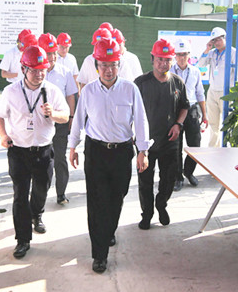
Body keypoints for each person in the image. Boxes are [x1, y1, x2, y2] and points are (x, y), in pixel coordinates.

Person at [68, 37, 150, 274]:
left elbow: (141, 121)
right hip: (95, 152)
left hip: (122, 152)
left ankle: (108, 230)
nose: (108, 70)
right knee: (96, 202)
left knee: (117, 197)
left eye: (113, 65)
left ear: (119, 65)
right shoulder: (89, 91)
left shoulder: (130, 89)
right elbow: (78, 120)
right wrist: (72, 147)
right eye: (103, 65)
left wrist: (142, 151)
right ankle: (99, 254)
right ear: (96, 66)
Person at [0, 45, 70, 259]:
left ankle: (37, 213)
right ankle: (23, 239)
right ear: (23, 69)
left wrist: (53, 114)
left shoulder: (52, 91)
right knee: (20, 194)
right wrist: (3, 135)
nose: (39, 74)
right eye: (34, 70)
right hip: (18, 151)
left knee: (42, 188)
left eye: (42, 70)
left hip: (43, 151)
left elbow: (65, 116)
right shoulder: (11, 92)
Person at [134, 39, 189, 230]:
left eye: (167, 60)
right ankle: (147, 214)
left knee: (169, 178)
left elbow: (184, 107)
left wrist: (178, 124)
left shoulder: (177, 82)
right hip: (145, 143)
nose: (163, 64)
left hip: (170, 141)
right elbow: (129, 110)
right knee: (145, 181)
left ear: (172, 60)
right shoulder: (140, 83)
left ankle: (161, 204)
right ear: (152, 59)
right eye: (159, 59)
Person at [38, 33, 78, 205]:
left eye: (54, 53)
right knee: (41, 160)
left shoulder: (65, 72)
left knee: (60, 158)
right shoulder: (35, 73)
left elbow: (71, 96)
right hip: (39, 123)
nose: (52, 57)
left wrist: (71, 117)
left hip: (60, 122)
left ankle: (61, 193)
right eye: (48, 53)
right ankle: (40, 194)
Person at [171, 39, 207, 191]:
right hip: (175, 111)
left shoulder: (195, 71)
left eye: (184, 54)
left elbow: (200, 93)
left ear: (189, 55)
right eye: (179, 54)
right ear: (175, 55)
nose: (182, 58)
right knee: (175, 146)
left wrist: (204, 115)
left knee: (195, 145)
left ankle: (189, 171)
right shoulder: (169, 71)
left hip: (191, 111)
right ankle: (177, 177)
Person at [198, 27, 238, 147]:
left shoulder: (234, 53)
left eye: (219, 39)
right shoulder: (212, 53)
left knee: (228, 122)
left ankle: (228, 147)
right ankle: (213, 148)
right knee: (213, 123)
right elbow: (201, 64)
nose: (216, 42)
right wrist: (207, 49)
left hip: (227, 92)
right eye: (214, 40)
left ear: (225, 38)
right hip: (212, 91)